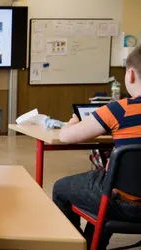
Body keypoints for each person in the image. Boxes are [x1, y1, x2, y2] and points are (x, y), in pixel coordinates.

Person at [54, 46, 141, 249]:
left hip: (124, 204)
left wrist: (72, 122)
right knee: (104, 187)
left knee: (62, 188)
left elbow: (65, 137)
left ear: (131, 74)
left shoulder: (119, 109)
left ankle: (79, 245)